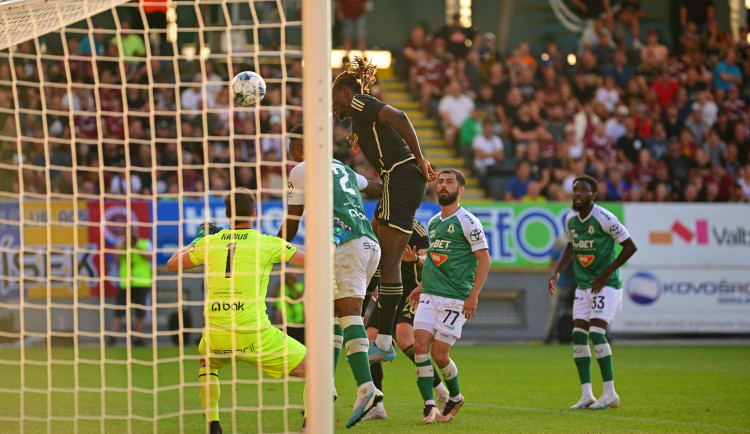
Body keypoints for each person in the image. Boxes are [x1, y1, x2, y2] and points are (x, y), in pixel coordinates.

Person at [166, 188, 308, 434]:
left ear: (226, 214)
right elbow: (312, 261)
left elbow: (172, 264)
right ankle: (310, 425)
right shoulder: (267, 243)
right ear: (255, 213)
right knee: (318, 369)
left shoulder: (210, 243)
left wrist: (197, 240)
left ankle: (213, 424)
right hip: (253, 333)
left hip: (216, 333)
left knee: (206, 362)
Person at [332, 56, 437, 365]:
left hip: (402, 175)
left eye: (335, 97)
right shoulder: (357, 118)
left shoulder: (361, 102)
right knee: (374, 248)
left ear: (347, 93)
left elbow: (400, 117)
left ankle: (384, 340)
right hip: (396, 180)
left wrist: (420, 159)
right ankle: (361, 317)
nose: (333, 106)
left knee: (389, 263)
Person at [278, 124, 384, 427]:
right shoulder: (343, 168)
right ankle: (326, 387)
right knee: (333, 314)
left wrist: (271, 250)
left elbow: (291, 223)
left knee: (348, 312)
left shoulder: (302, 168)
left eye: (290, 148)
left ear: (299, 148)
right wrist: (390, 182)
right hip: (367, 244)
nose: (290, 154)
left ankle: (367, 388)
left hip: (345, 244)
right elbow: (374, 188)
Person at [407, 169, 490, 424]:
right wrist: (421, 281)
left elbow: (484, 260)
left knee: (440, 354)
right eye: (440, 181)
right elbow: (436, 257)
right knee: (420, 346)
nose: (443, 185)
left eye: (450, 182)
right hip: (430, 294)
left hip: (455, 297)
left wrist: (473, 295)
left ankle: (455, 397)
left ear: (460, 190)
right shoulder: (433, 222)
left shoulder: (468, 221)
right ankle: (429, 406)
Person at [547, 175, 637, 410]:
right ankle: (587, 395)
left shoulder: (605, 218)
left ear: (593, 195)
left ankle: (610, 393)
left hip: (606, 286)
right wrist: (557, 272)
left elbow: (630, 246)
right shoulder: (571, 219)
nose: (577, 194)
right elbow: (571, 245)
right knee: (578, 335)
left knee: (597, 332)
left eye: (583, 190)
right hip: (584, 286)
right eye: (575, 190)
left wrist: (607, 272)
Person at [362, 219, 450, 420]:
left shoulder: (413, 226)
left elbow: (431, 259)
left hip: (412, 292)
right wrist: (374, 280)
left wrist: (415, 259)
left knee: (404, 338)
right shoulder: (378, 224)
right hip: (388, 292)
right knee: (369, 340)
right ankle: (377, 405)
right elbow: (375, 257)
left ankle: (441, 392)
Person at [109, 230, 153, 347]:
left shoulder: (145, 243)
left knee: (140, 312)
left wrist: (136, 246)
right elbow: (115, 259)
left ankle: (137, 338)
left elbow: (150, 257)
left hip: (141, 283)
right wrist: (124, 245)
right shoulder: (122, 245)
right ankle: (112, 337)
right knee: (119, 311)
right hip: (126, 283)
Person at [270, 273, 305, 344]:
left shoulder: (300, 286)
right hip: (285, 323)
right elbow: (273, 294)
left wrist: (292, 286)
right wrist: (281, 282)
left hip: (299, 323)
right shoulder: (281, 287)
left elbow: (302, 298)